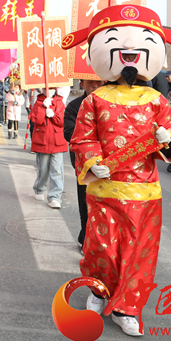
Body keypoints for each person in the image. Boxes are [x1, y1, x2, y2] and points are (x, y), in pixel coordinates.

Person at [62, 4, 171, 337]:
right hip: (105, 191)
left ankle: (127, 307)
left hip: (145, 192)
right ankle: (99, 292)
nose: (130, 49)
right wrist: (92, 162)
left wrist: (167, 139)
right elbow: (82, 138)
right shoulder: (94, 100)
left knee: (138, 253)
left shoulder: (157, 101)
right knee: (101, 247)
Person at [64, 79, 103, 249]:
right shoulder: (74, 106)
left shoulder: (114, 106)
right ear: (82, 84)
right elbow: (69, 133)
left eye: (99, 82)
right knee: (86, 202)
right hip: (85, 164)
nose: (95, 85)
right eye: (90, 82)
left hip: (109, 163)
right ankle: (86, 239)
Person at [31, 87, 67, 209]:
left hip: (57, 142)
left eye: (52, 87)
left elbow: (62, 121)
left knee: (57, 171)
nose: (49, 89)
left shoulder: (60, 103)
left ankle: (55, 197)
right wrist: (43, 107)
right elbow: (36, 120)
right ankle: (39, 189)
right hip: (43, 142)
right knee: (43, 169)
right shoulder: (38, 102)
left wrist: (53, 113)